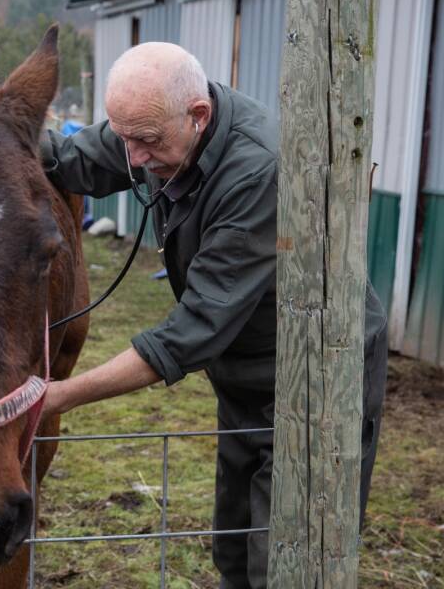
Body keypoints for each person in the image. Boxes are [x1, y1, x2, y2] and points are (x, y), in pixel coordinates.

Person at [38, 42, 387, 589]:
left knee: (288, 561)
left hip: (315, 380)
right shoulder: (153, 125)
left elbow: (191, 333)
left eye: (146, 142)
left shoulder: (259, 173)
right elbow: (70, 157)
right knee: (234, 548)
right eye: (123, 136)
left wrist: (59, 395)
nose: (132, 159)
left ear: (198, 116)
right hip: (244, 371)